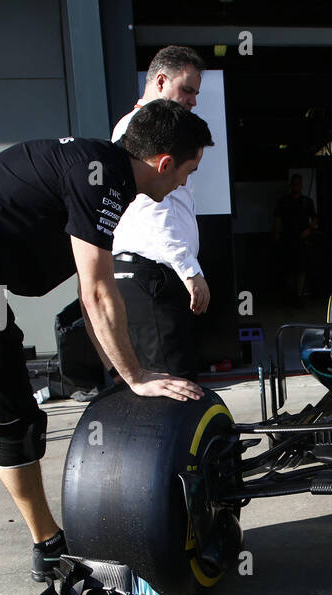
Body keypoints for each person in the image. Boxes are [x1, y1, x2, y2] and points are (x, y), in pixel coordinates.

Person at [0, 100, 206, 595]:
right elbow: (97, 291)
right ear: (163, 163)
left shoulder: (103, 172)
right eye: (187, 171)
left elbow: (93, 294)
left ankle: (49, 549)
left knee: (18, 424)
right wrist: (135, 377)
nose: (182, 185)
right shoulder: (104, 177)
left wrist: (120, 370)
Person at [110, 45, 212, 378]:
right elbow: (154, 210)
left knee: (170, 381)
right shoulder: (144, 131)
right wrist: (189, 270)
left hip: (152, 274)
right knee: (171, 384)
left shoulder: (153, 128)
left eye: (195, 93)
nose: (193, 100)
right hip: (151, 273)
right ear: (161, 80)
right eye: (186, 90)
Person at [273, 174, 318, 307]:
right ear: (291, 185)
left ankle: (299, 296)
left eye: (298, 183)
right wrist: (276, 234)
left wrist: (309, 229)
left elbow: (315, 218)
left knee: (301, 269)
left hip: (302, 239)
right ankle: (291, 295)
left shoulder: (307, 201)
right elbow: (277, 219)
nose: (296, 186)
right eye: (294, 184)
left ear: (301, 185)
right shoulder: (284, 201)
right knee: (288, 269)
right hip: (287, 239)